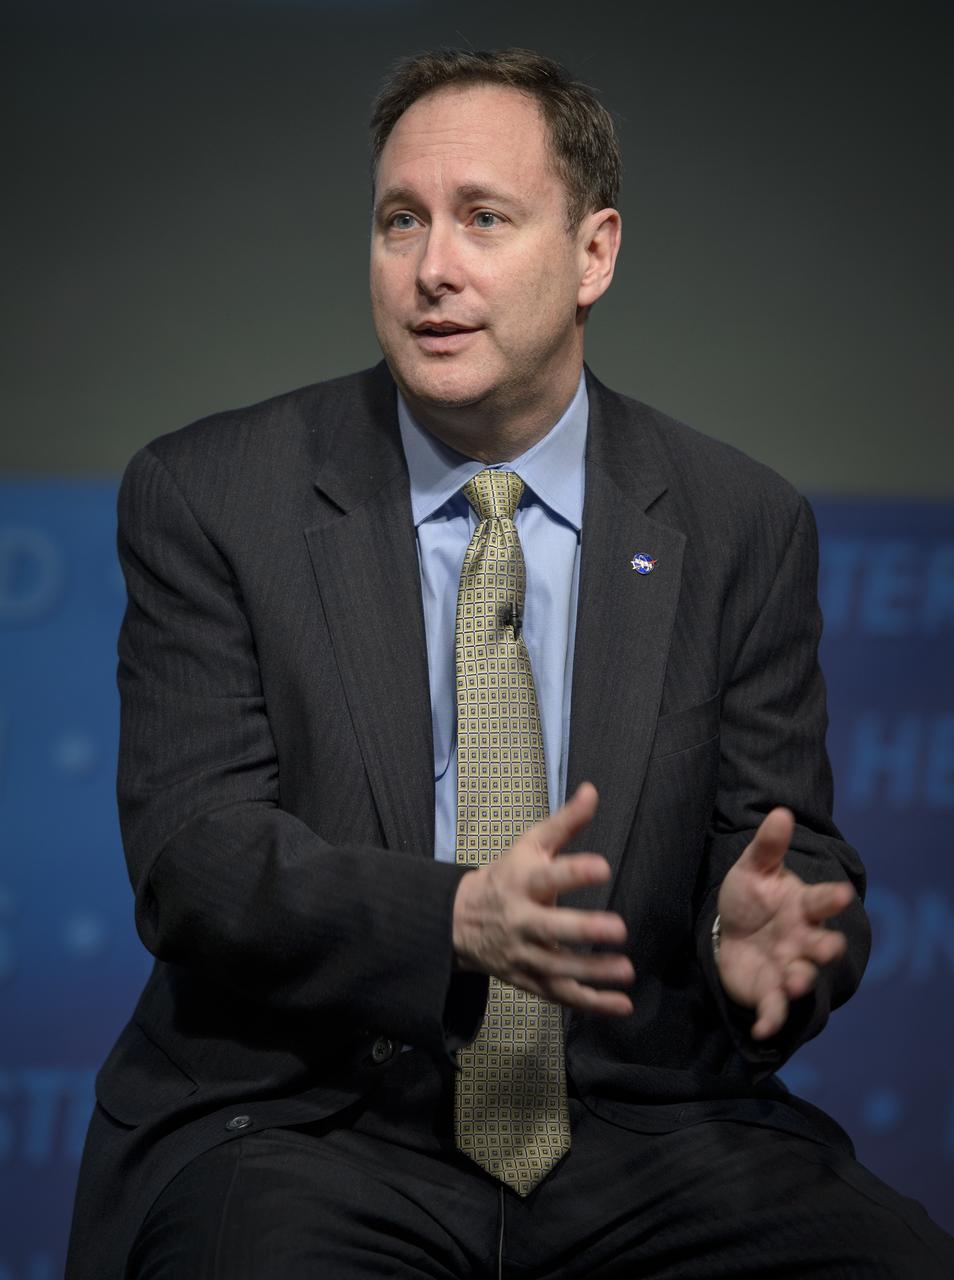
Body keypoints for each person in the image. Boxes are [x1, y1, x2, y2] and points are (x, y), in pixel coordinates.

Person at [67, 48, 953, 1279]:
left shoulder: (741, 523)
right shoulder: (215, 494)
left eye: (483, 218)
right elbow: (197, 859)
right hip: (307, 1121)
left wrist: (756, 941)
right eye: (401, 221)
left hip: (642, 1124)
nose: (432, 266)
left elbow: (781, 853)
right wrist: (455, 919)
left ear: (594, 253)